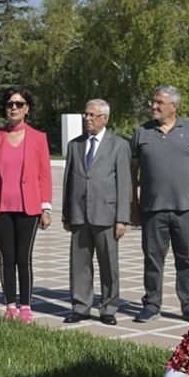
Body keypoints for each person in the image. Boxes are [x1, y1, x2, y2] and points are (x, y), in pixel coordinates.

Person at [130, 85, 189, 322]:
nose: (154, 106)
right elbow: (132, 172)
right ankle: (151, 305)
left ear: (174, 106)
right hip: (152, 209)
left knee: (186, 259)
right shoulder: (142, 132)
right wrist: (133, 204)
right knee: (152, 259)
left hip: (185, 208)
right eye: (153, 101)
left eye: (159, 102)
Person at [0, 86, 53, 323]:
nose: (14, 107)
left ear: (27, 109)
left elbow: (45, 175)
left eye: (19, 104)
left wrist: (46, 208)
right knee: (7, 258)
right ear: (4, 108)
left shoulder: (38, 138)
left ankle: (26, 306)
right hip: (1, 206)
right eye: (10, 104)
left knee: (24, 257)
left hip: (29, 207)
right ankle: (10, 305)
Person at [61, 99, 131, 325]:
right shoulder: (75, 145)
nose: (87, 118)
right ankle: (81, 306)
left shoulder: (119, 145)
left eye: (92, 115)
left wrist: (122, 218)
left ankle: (108, 308)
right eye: (85, 114)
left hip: (107, 216)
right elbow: (68, 182)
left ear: (105, 118)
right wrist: (66, 214)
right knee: (79, 264)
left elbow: (124, 184)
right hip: (79, 215)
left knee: (109, 265)